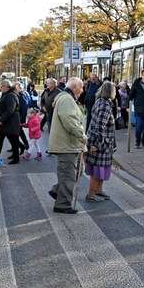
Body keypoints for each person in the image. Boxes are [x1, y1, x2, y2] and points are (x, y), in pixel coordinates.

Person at [48, 77, 86, 214]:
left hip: (71, 144)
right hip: (68, 144)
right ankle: (62, 204)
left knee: (78, 170)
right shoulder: (67, 99)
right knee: (68, 174)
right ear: (74, 87)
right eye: (81, 87)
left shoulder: (68, 98)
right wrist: (81, 135)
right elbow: (69, 119)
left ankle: (57, 191)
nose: (82, 91)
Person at [85, 81, 116, 201]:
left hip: (99, 140)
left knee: (101, 168)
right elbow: (99, 126)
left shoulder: (100, 101)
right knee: (97, 168)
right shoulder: (105, 106)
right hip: (101, 142)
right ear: (110, 91)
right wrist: (98, 144)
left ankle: (99, 190)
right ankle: (91, 193)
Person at [0, 79, 21, 164]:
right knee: (0, 139)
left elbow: (10, 110)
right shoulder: (7, 94)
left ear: (6, 87)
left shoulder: (10, 95)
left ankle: (16, 158)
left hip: (9, 123)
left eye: (1, 86)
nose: (0, 88)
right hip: (6, 123)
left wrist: (1, 120)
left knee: (13, 140)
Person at [14, 82, 30, 156]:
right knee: (19, 132)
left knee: (18, 132)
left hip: (19, 118)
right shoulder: (17, 95)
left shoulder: (22, 96)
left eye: (17, 87)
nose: (15, 89)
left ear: (20, 88)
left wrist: (21, 120)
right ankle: (20, 145)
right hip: (17, 118)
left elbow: (24, 109)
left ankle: (25, 145)